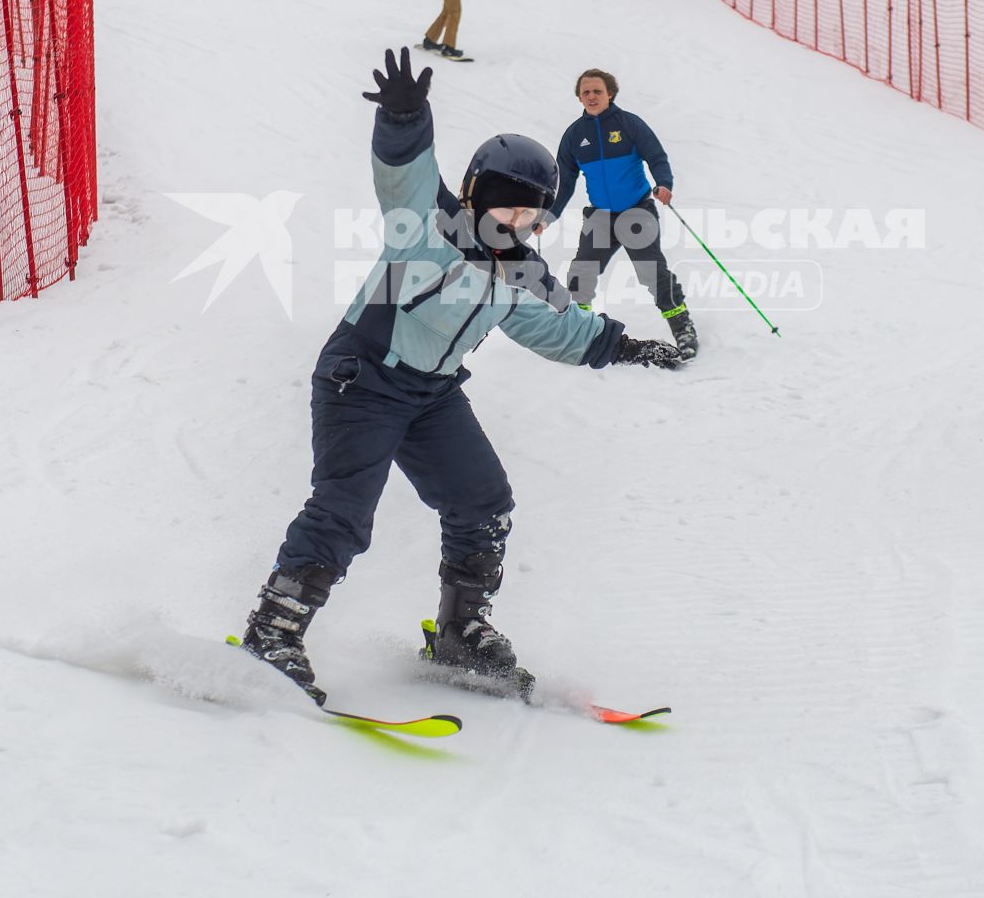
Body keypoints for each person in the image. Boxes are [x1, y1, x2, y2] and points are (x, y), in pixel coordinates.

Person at [237, 49, 682, 703]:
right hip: (363, 377)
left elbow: (560, 328)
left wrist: (625, 347)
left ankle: (460, 633)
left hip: (432, 394)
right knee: (344, 511)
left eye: (531, 211)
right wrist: (405, 117)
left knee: (483, 503)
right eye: (505, 204)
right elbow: (404, 173)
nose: (516, 220)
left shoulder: (523, 270)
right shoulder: (427, 222)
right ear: (475, 192)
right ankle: (273, 632)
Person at [541, 69, 697, 360]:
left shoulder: (629, 125)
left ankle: (682, 326)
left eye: (597, 91)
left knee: (652, 272)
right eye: (585, 92)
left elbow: (656, 156)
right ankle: (578, 329)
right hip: (600, 216)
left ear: (609, 93)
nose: (591, 96)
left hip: (636, 211)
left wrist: (664, 184)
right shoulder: (575, 136)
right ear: (579, 97)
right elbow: (565, 181)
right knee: (581, 272)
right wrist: (547, 216)